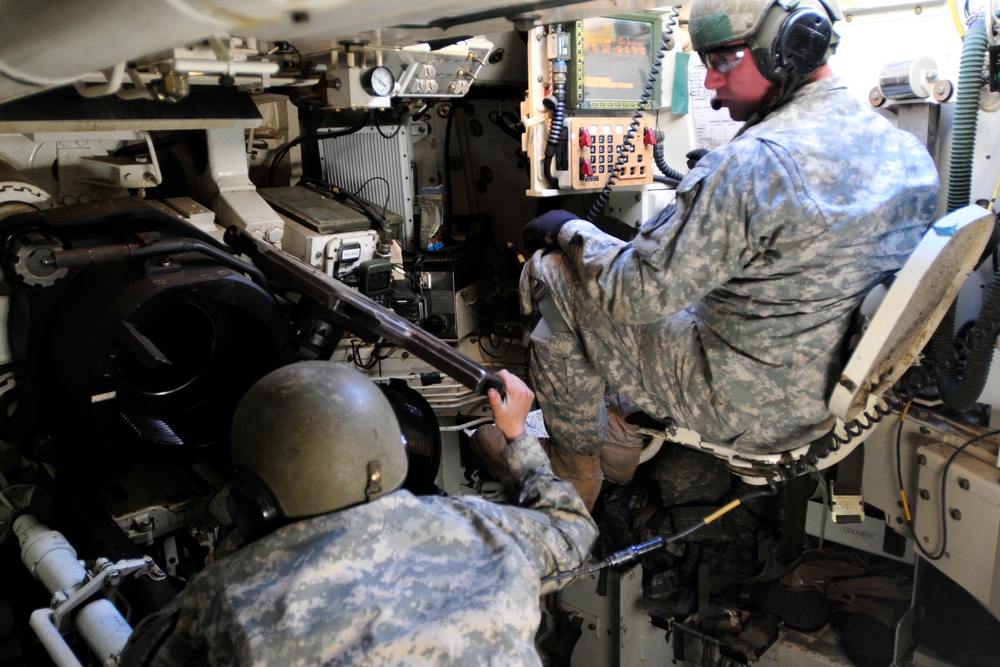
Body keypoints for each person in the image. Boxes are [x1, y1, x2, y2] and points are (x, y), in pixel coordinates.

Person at [516, 0, 941, 510]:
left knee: (550, 274)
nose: (712, 84)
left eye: (722, 62)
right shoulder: (907, 151)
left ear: (789, 48)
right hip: (826, 397)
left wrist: (569, 228)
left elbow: (632, 292)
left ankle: (576, 468)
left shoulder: (751, 164)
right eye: (704, 65)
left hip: (742, 405)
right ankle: (622, 430)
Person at [119, 362, 597, 666]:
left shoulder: (228, 596)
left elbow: (140, 655)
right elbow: (573, 531)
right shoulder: (481, 526)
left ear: (255, 499)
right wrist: (516, 436)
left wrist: (232, 552)